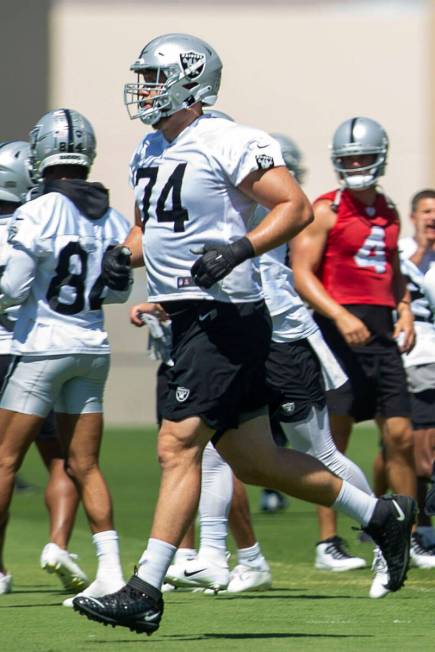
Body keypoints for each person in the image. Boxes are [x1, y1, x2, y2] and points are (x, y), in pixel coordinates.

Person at [73, 35, 415, 634]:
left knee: (177, 446)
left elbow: (294, 206)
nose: (144, 89)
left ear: (190, 79)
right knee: (254, 460)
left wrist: (240, 248)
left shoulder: (230, 138)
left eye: (155, 76)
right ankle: (381, 513)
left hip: (223, 316)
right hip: (189, 316)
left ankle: (146, 588)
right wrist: (122, 258)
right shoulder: (152, 145)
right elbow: (149, 225)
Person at [0, 110, 131, 604]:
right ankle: (112, 570)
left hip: (41, 350)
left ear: (40, 156)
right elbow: (115, 296)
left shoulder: (38, 210)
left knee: (4, 459)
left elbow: (13, 287)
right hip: (92, 347)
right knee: (85, 464)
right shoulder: (114, 217)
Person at [292, 116, 420, 597]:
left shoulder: (388, 209)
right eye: (349, 160)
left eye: (364, 158)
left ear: (380, 157)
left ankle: (401, 536)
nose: (357, 166)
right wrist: (340, 315)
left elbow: (392, 271)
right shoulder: (325, 209)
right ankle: (330, 541)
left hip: (383, 333)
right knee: (333, 443)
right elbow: (303, 274)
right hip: (336, 334)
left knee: (401, 437)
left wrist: (404, 308)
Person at [0, 140, 87, 595]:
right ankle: (59, 545)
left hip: (10, 356)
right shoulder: (43, 218)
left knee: (3, 464)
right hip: (36, 350)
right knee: (63, 459)